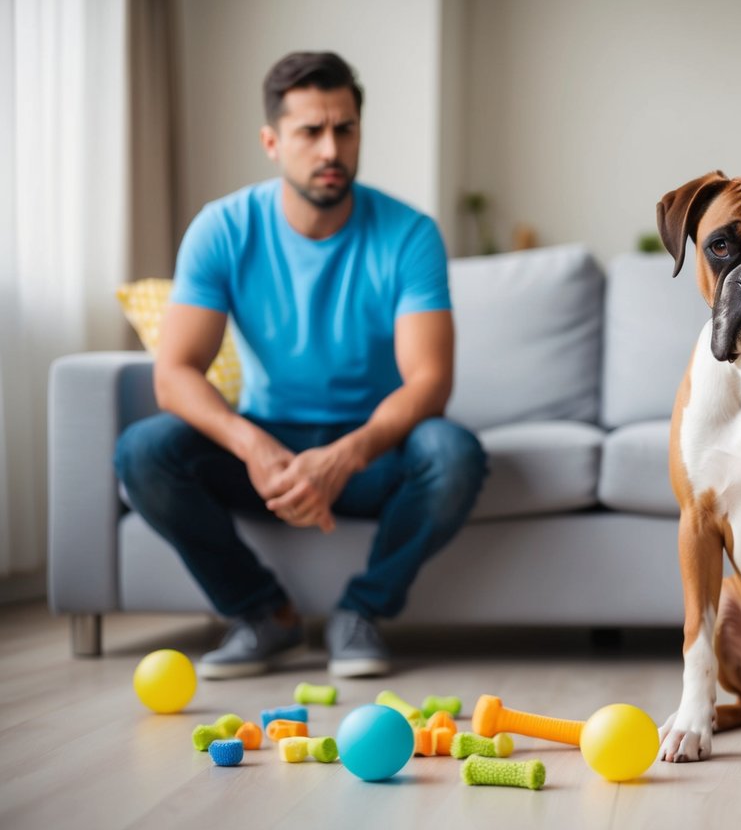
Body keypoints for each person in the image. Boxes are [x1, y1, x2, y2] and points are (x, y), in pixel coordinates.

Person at [114, 52, 487, 680]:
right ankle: (263, 616)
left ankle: (360, 612)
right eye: (310, 131)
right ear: (271, 141)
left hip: (373, 454)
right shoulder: (222, 228)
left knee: (454, 454)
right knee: (143, 451)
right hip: (266, 443)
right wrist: (254, 447)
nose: (330, 148)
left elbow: (430, 381)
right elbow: (174, 371)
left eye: (345, 129)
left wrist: (344, 456)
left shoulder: (409, 234)